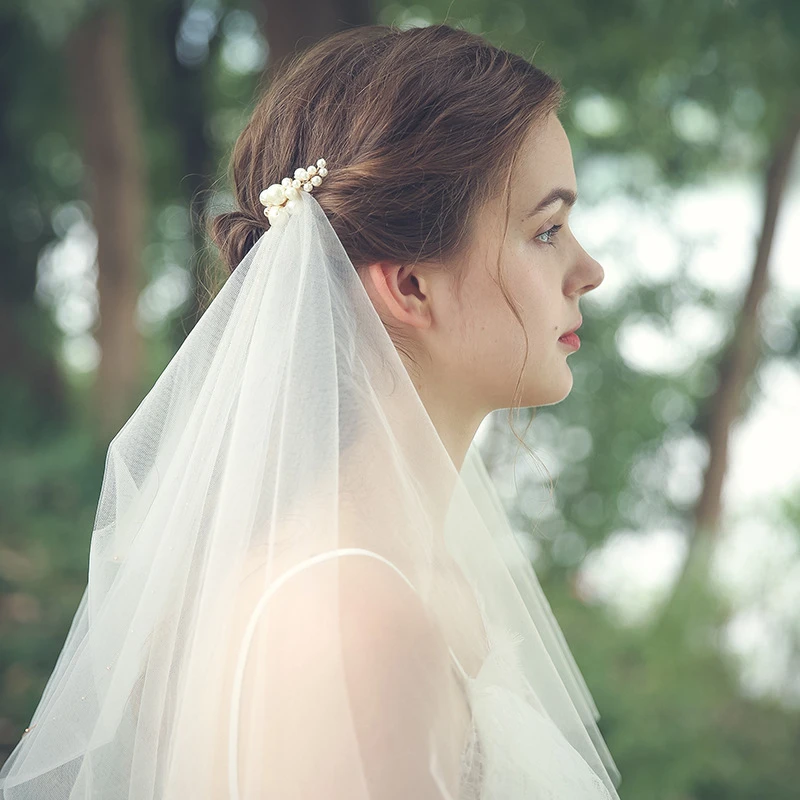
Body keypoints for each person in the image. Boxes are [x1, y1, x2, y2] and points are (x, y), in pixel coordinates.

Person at [0, 22, 620, 799]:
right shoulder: (356, 620)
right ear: (409, 285)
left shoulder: (385, 580)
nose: (588, 271)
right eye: (547, 230)